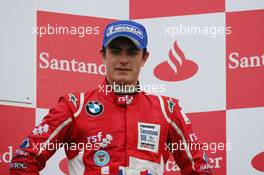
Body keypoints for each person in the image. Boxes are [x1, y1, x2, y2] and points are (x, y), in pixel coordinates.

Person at [10, 20, 213, 175]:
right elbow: (23, 160)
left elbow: (199, 168)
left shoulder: (167, 109)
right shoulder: (75, 106)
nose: (123, 60)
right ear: (103, 55)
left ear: (144, 58)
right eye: (116, 52)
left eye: (132, 52)